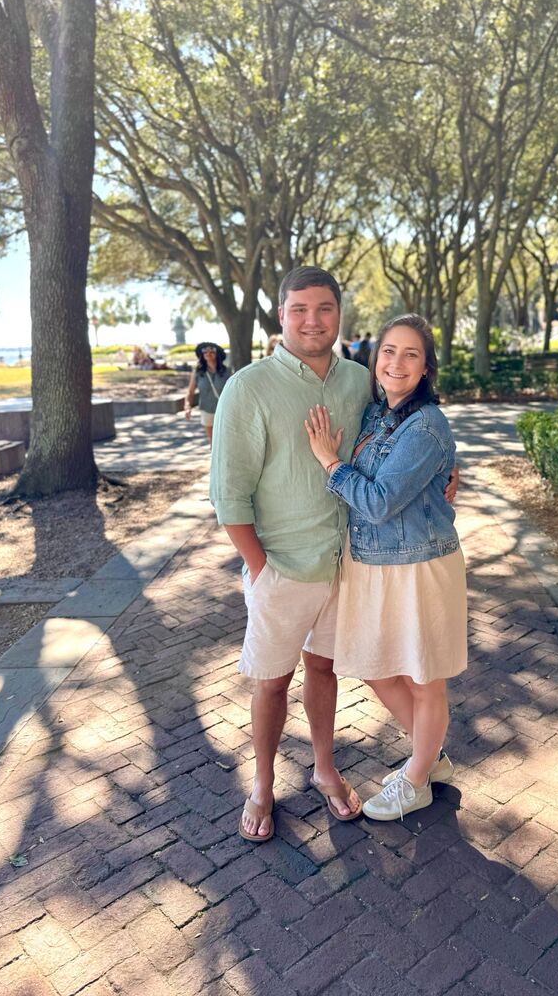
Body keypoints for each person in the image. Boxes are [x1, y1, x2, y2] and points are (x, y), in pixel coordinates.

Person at [210, 267, 371, 841]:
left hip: (345, 561)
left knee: (324, 668)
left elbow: (392, 441)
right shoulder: (248, 386)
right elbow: (228, 492)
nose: (312, 320)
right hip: (282, 566)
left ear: (338, 314)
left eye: (324, 308)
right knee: (271, 681)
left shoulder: (359, 381)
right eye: (299, 309)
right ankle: (261, 784)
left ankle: (325, 769)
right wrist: (260, 568)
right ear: (280, 316)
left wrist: (443, 475)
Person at [305, 314, 467, 821]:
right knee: (376, 666)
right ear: (376, 359)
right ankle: (429, 753)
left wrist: (330, 463)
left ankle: (416, 779)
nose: (396, 362)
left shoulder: (427, 424)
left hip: (420, 567)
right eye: (389, 351)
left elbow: (377, 502)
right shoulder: (377, 416)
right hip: (372, 564)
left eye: (411, 354)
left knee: (425, 678)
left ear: (426, 368)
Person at [185, 342, 230, 444]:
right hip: (207, 410)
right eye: (204, 350)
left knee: (225, 441)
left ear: (217, 354)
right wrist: (187, 406)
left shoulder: (227, 371)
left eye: (212, 350)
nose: (208, 352)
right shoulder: (198, 372)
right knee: (213, 443)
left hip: (224, 410)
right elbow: (190, 391)